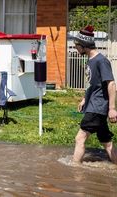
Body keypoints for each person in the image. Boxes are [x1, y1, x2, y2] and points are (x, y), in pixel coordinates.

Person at [72, 25, 117, 165]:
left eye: (77, 45)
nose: (76, 48)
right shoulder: (90, 60)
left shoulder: (101, 61)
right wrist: (85, 99)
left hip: (97, 107)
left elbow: (111, 84)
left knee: (80, 138)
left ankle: (74, 171)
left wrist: (112, 108)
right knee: (107, 143)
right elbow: (93, 84)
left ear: (84, 45)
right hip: (93, 105)